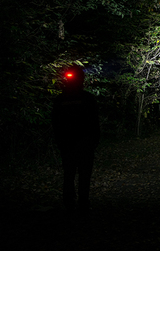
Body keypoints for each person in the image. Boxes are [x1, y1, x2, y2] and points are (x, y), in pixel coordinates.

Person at [52, 64, 100, 216]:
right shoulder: (88, 98)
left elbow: (55, 123)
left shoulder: (60, 99)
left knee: (69, 173)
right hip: (83, 143)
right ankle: (82, 203)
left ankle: (70, 203)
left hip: (69, 143)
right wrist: (94, 141)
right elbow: (94, 122)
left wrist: (60, 141)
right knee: (83, 175)